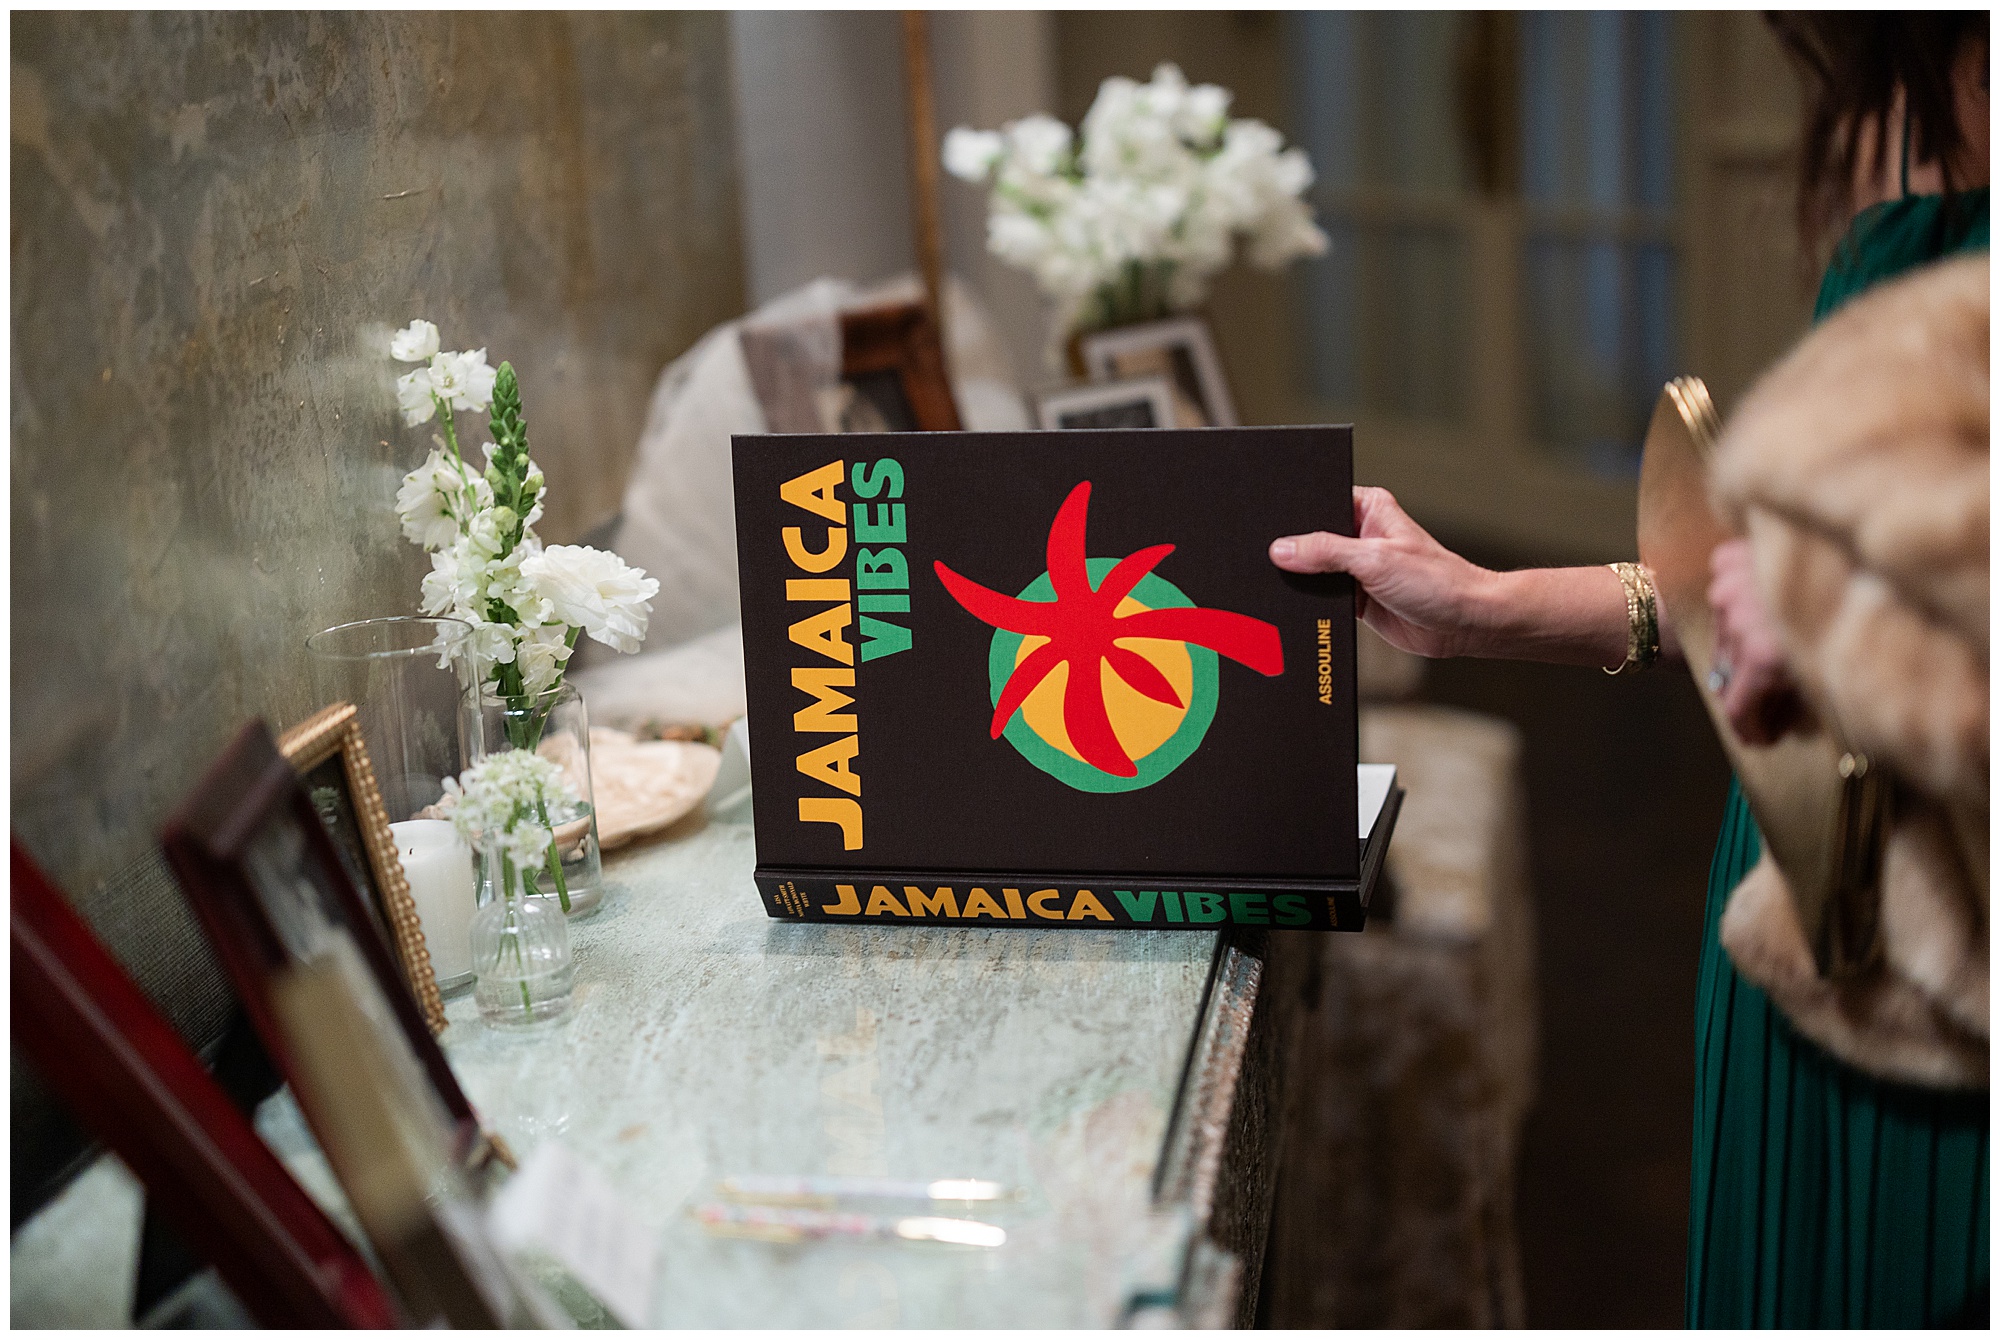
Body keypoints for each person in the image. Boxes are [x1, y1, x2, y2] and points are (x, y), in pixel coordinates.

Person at [1268, 14, 1989, 1328]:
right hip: (1809, 902)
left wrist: (1860, 613)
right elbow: (1771, 579)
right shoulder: (1902, 88)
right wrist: (1485, 605)